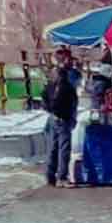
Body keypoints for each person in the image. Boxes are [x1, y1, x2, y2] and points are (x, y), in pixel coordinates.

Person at [42, 60, 78, 188]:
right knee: (64, 149)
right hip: (64, 120)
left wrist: (50, 110)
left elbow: (44, 100)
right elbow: (73, 104)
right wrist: (72, 118)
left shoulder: (50, 86)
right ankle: (62, 177)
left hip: (53, 118)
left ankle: (50, 176)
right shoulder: (68, 87)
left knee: (52, 148)